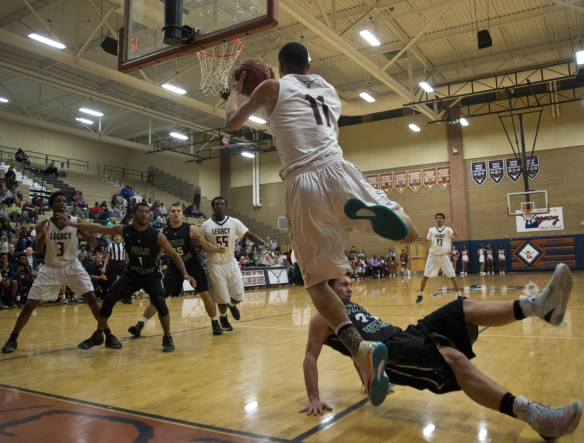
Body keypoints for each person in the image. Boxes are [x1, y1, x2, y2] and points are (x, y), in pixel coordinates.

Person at [225, 41, 423, 406]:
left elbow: (231, 123)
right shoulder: (330, 91)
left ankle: (358, 347)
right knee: (409, 231)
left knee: (316, 282)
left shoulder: (270, 87)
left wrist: (236, 92)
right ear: (309, 64)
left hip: (303, 182)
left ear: (280, 67)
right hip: (340, 170)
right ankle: (391, 223)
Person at [300, 270, 582, 442]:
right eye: (343, 285)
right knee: (453, 358)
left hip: (403, 334)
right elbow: (310, 357)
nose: (349, 288)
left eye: (350, 284)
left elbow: (354, 347)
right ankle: (534, 415)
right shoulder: (321, 317)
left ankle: (536, 307)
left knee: (462, 307)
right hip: (396, 353)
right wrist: (314, 397)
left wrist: (370, 375)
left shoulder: (350, 307)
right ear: (327, 290)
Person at [61, 202, 194, 353]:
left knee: (160, 303)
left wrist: (184, 273)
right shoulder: (125, 231)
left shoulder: (157, 235)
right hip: (132, 273)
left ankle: (167, 337)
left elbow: (174, 254)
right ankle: (98, 334)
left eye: (147, 212)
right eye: (141, 211)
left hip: (151, 274)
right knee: (109, 299)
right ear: (133, 215)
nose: (145, 214)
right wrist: (72, 224)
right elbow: (97, 228)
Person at [0, 191, 102, 353]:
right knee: (30, 304)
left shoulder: (75, 221)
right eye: (58, 201)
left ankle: (106, 333)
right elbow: (38, 248)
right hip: (50, 267)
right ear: (52, 205)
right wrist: (44, 236)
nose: (62, 203)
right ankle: (13, 338)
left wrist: (92, 234)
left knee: (91, 297)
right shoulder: (44, 224)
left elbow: (92, 244)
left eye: (64, 201)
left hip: (72, 265)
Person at [128, 203, 226, 337]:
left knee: (204, 293)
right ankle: (140, 325)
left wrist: (218, 249)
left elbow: (205, 244)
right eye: (173, 211)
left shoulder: (191, 229)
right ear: (168, 214)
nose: (176, 213)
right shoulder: (164, 232)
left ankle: (215, 323)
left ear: (182, 214)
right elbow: (158, 252)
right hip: (175, 268)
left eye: (178, 211)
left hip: (193, 266)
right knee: (159, 297)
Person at [199, 197, 267, 331]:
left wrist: (265, 244)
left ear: (225, 207)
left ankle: (232, 305)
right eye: (217, 204)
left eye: (222, 204)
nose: (220, 206)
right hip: (214, 264)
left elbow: (251, 236)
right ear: (213, 207)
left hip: (231, 262)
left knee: (239, 296)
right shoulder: (206, 225)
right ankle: (223, 318)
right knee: (221, 298)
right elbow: (202, 244)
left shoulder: (234, 222)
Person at [416, 213, 462, 303]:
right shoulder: (432, 230)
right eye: (437, 218)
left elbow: (456, 235)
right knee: (425, 276)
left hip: (444, 256)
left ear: (443, 220)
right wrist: (425, 235)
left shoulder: (448, 229)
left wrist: (451, 224)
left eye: (440, 218)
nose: (439, 219)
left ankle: (459, 295)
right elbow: (424, 243)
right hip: (432, 255)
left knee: (452, 276)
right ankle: (420, 295)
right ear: (435, 220)